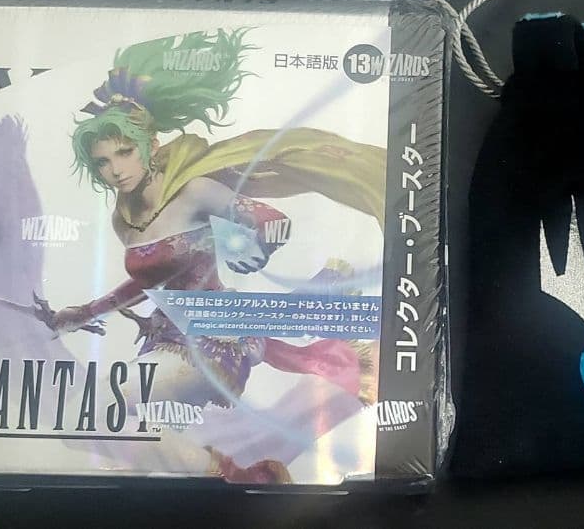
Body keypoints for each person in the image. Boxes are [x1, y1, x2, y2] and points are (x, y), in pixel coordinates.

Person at [48, 30, 388, 481]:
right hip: (165, 340)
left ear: (150, 146)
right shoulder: (122, 218)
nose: (116, 170)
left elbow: (269, 220)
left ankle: (235, 478)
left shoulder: (194, 192)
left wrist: (253, 247)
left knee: (87, 414)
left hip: (213, 343)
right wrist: (84, 313)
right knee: (109, 441)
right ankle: (241, 479)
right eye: (103, 162)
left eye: (124, 153)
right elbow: (147, 283)